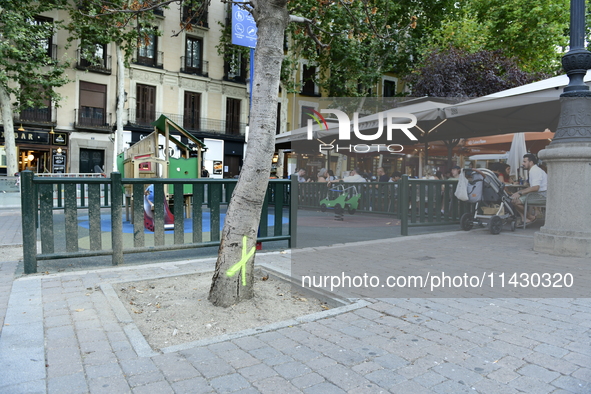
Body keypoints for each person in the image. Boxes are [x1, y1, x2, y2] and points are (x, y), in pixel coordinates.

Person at [510, 154, 547, 226]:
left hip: (541, 196)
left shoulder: (535, 171)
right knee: (514, 198)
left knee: (515, 201)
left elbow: (535, 188)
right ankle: (525, 218)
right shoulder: (534, 170)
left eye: (524, 161)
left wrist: (520, 193)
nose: (522, 164)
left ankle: (530, 217)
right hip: (540, 194)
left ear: (531, 162)